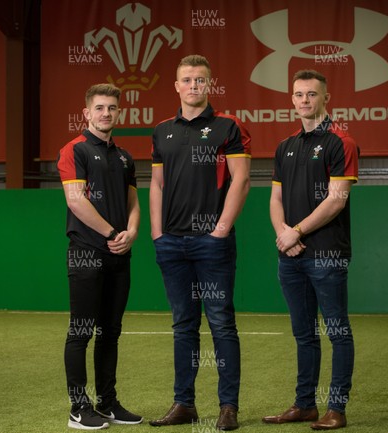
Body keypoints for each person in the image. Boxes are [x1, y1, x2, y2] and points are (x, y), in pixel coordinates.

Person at [148, 54, 251, 431]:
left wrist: (221, 229)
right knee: (183, 325)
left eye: (200, 80)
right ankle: (184, 404)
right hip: (172, 244)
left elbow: (241, 180)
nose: (194, 86)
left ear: (210, 85)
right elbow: (157, 185)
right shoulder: (162, 131)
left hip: (213, 243)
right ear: (176, 86)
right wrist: (157, 234)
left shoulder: (228, 127)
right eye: (187, 80)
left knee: (222, 324)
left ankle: (228, 407)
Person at [263, 70, 358, 430]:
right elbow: (275, 198)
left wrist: (297, 231)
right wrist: (283, 233)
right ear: (292, 99)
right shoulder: (285, 146)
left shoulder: (341, 142)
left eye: (312, 94)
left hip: (327, 255)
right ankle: (305, 405)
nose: (305, 100)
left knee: (337, 331)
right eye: (299, 94)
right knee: (304, 333)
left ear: (326, 98)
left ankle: (336, 408)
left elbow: (336, 200)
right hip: (291, 256)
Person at [57, 83, 142, 430]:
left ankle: (107, 403)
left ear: (118, 112)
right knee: (81, 331)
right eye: (100, 107)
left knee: (111, 332)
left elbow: (133, 200)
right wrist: (111, 234)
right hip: (87, 254)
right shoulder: (73, 150)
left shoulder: (124, 157)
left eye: (112, 108)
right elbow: (75, 200)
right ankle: (79, 408)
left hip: (119, 255)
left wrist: (132, 232)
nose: (106, 113)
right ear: (87, 113)